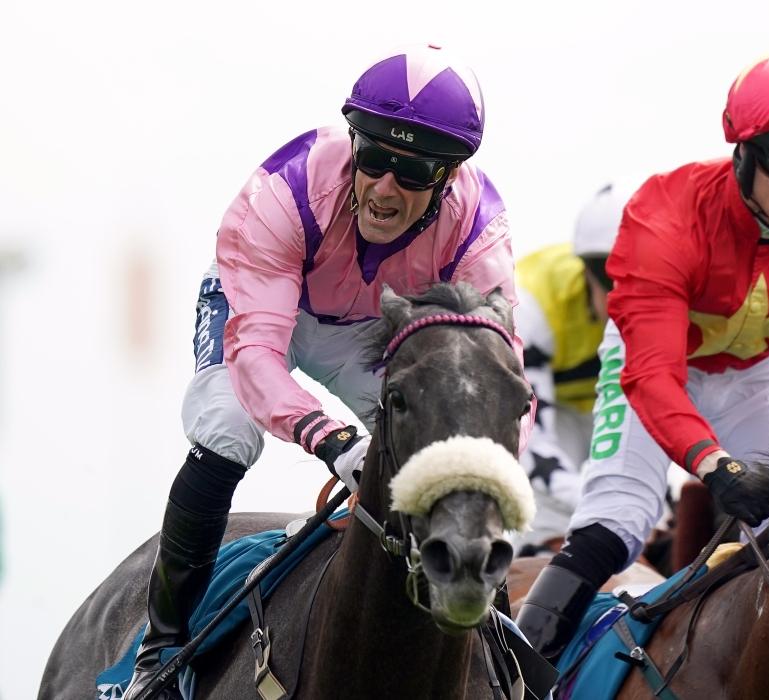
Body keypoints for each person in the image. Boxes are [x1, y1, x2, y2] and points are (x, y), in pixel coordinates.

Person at [126, 45, 527, 697]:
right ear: (353, 143)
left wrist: (484, 468)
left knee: (453, 431)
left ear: (449, 175)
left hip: (368, 327)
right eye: (373, 159)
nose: (385, 189)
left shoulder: (478, 232)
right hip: (264, 313)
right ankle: (161, 650)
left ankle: (499, 647)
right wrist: (333, 440)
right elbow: (256, 355)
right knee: (227, 429)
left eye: (412, 171)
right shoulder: (286, 190)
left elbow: (499, 390)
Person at [516, 45, 769, 659]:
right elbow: (654, 378)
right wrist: (713, 465)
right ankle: (517, 674)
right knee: (618, 519)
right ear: (744, 151)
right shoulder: (665, 214)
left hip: (758, 370)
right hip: (655, 362)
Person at [513, 182, 632, 554]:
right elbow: (530, 436)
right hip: (551, 412)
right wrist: (588, 499)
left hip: (608, 404)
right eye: (609, 277)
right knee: (552, 511)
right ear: (586, 269)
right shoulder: (533, 301)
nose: (622, 293)